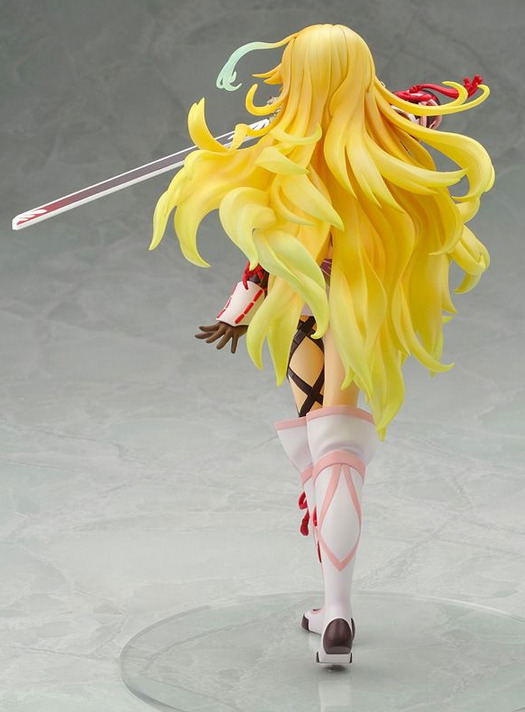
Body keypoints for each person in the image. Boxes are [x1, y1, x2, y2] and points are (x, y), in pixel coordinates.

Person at [149, 23, 494, 665]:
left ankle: (335, 611)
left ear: (299, 82)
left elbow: (265, 252)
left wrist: (237, 311)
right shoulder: (385, 140)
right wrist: (396, 103)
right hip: (359, 309)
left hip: (308, 309)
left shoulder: (291, 155)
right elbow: (439, 96)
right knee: (337, 447)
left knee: (322, 448)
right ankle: (337, 610)